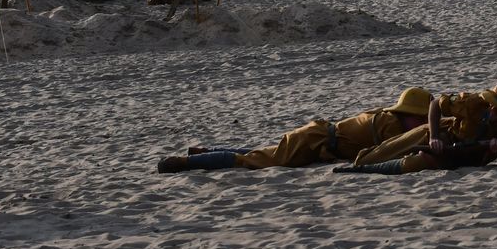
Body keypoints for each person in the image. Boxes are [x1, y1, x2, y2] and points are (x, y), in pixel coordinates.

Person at [157, 86, 434, 172]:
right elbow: (388, 152)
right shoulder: (391, 126)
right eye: (420, 119)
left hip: (316, 139)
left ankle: (205, 152)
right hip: (313, 140)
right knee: (254, 161)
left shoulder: (387, 116)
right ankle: (184, 163)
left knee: (262, 153)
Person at [339, 78, 497, 176]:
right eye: (493, 103)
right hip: (437, 135)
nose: (493, 108)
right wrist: (433, 136)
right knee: (366, 159)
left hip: (451, 159)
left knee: (415, 164)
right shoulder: (472, 103)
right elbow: (435, 105)